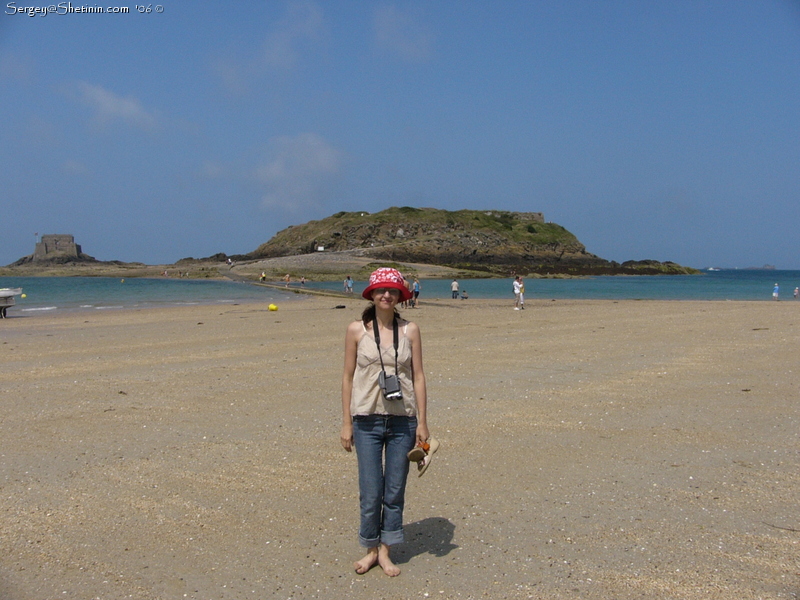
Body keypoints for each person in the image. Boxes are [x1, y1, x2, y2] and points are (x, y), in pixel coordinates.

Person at [341, 267, 430, 577]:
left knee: (394, 489)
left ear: (400, 296)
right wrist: (345, 422)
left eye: (392, 291)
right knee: (370, 489)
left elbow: (418, 376)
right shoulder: (356, 330)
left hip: (403, 420)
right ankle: (369, 549)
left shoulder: (411, 330)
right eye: (381, 290)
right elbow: (347, 376)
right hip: (365, 419)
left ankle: (386, 550)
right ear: (372, 294)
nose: (387, 295)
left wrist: (423, 422)